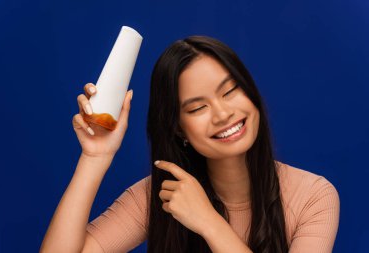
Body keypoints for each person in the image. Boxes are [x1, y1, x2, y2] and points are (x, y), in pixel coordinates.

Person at [40, 36, 340, 253]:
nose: (223, 114)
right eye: (197, 108)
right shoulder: (162, 194)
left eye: (230, 91)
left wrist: (208, 222)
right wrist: (95, 157)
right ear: (177, 128)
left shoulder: (313, 196)